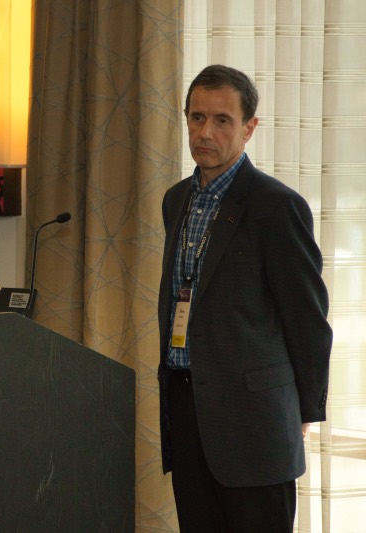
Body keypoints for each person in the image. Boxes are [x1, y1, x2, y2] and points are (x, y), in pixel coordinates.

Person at [157, 64, 332, 531]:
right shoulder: (176, 200)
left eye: (222, 120)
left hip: (255, 421)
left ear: (249, 128)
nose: (205, 132)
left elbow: (308, 319)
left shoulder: (276, 206)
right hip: (187, 407)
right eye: (197, 118)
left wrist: (302, 410)